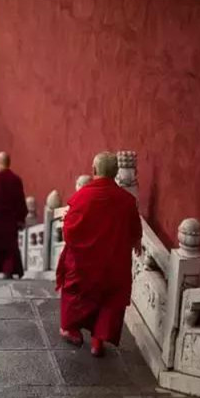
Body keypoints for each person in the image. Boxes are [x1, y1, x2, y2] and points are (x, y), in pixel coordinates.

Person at [56, 152, 142, 357]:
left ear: (94, 170)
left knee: (76, 293)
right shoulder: (127, 200)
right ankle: (97, 342)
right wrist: (136, 242)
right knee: (109, 300)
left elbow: (69, 232)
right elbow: (134, 230)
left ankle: (71, 330)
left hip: (85, 264)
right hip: (114, 265)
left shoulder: (82, 196)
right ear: (116, 173)